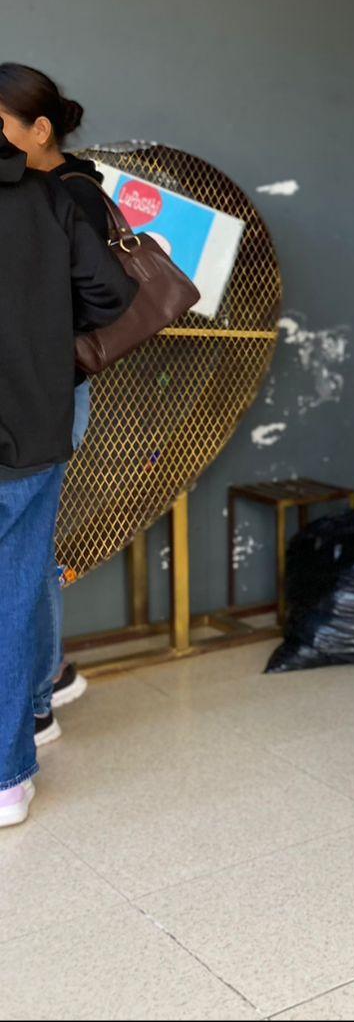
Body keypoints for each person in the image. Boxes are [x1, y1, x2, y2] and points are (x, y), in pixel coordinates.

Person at [0, 129, 135, 827]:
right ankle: (7, 780)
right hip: (28, 427)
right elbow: (112, 295)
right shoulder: (46, 197)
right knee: (17, 591)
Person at [0, 63, 106, 748]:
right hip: (32, 389)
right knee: (24, 552)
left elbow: (97, 299)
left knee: (27, 556)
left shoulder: (68, 195)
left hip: (47, 392)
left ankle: (38, 693)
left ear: (39, 129)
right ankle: (43, 682)